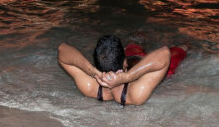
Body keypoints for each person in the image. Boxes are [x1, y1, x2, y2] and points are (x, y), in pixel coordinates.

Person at [58, 35, 186, 106]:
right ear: (125, 62)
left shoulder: (89, 86)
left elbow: (62, 49)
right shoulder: (135, 94)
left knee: (134, 43)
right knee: (182, 48)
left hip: (132, 60)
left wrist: (94, 72)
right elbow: (164, 53)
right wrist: (128, 77)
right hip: (144, 62)